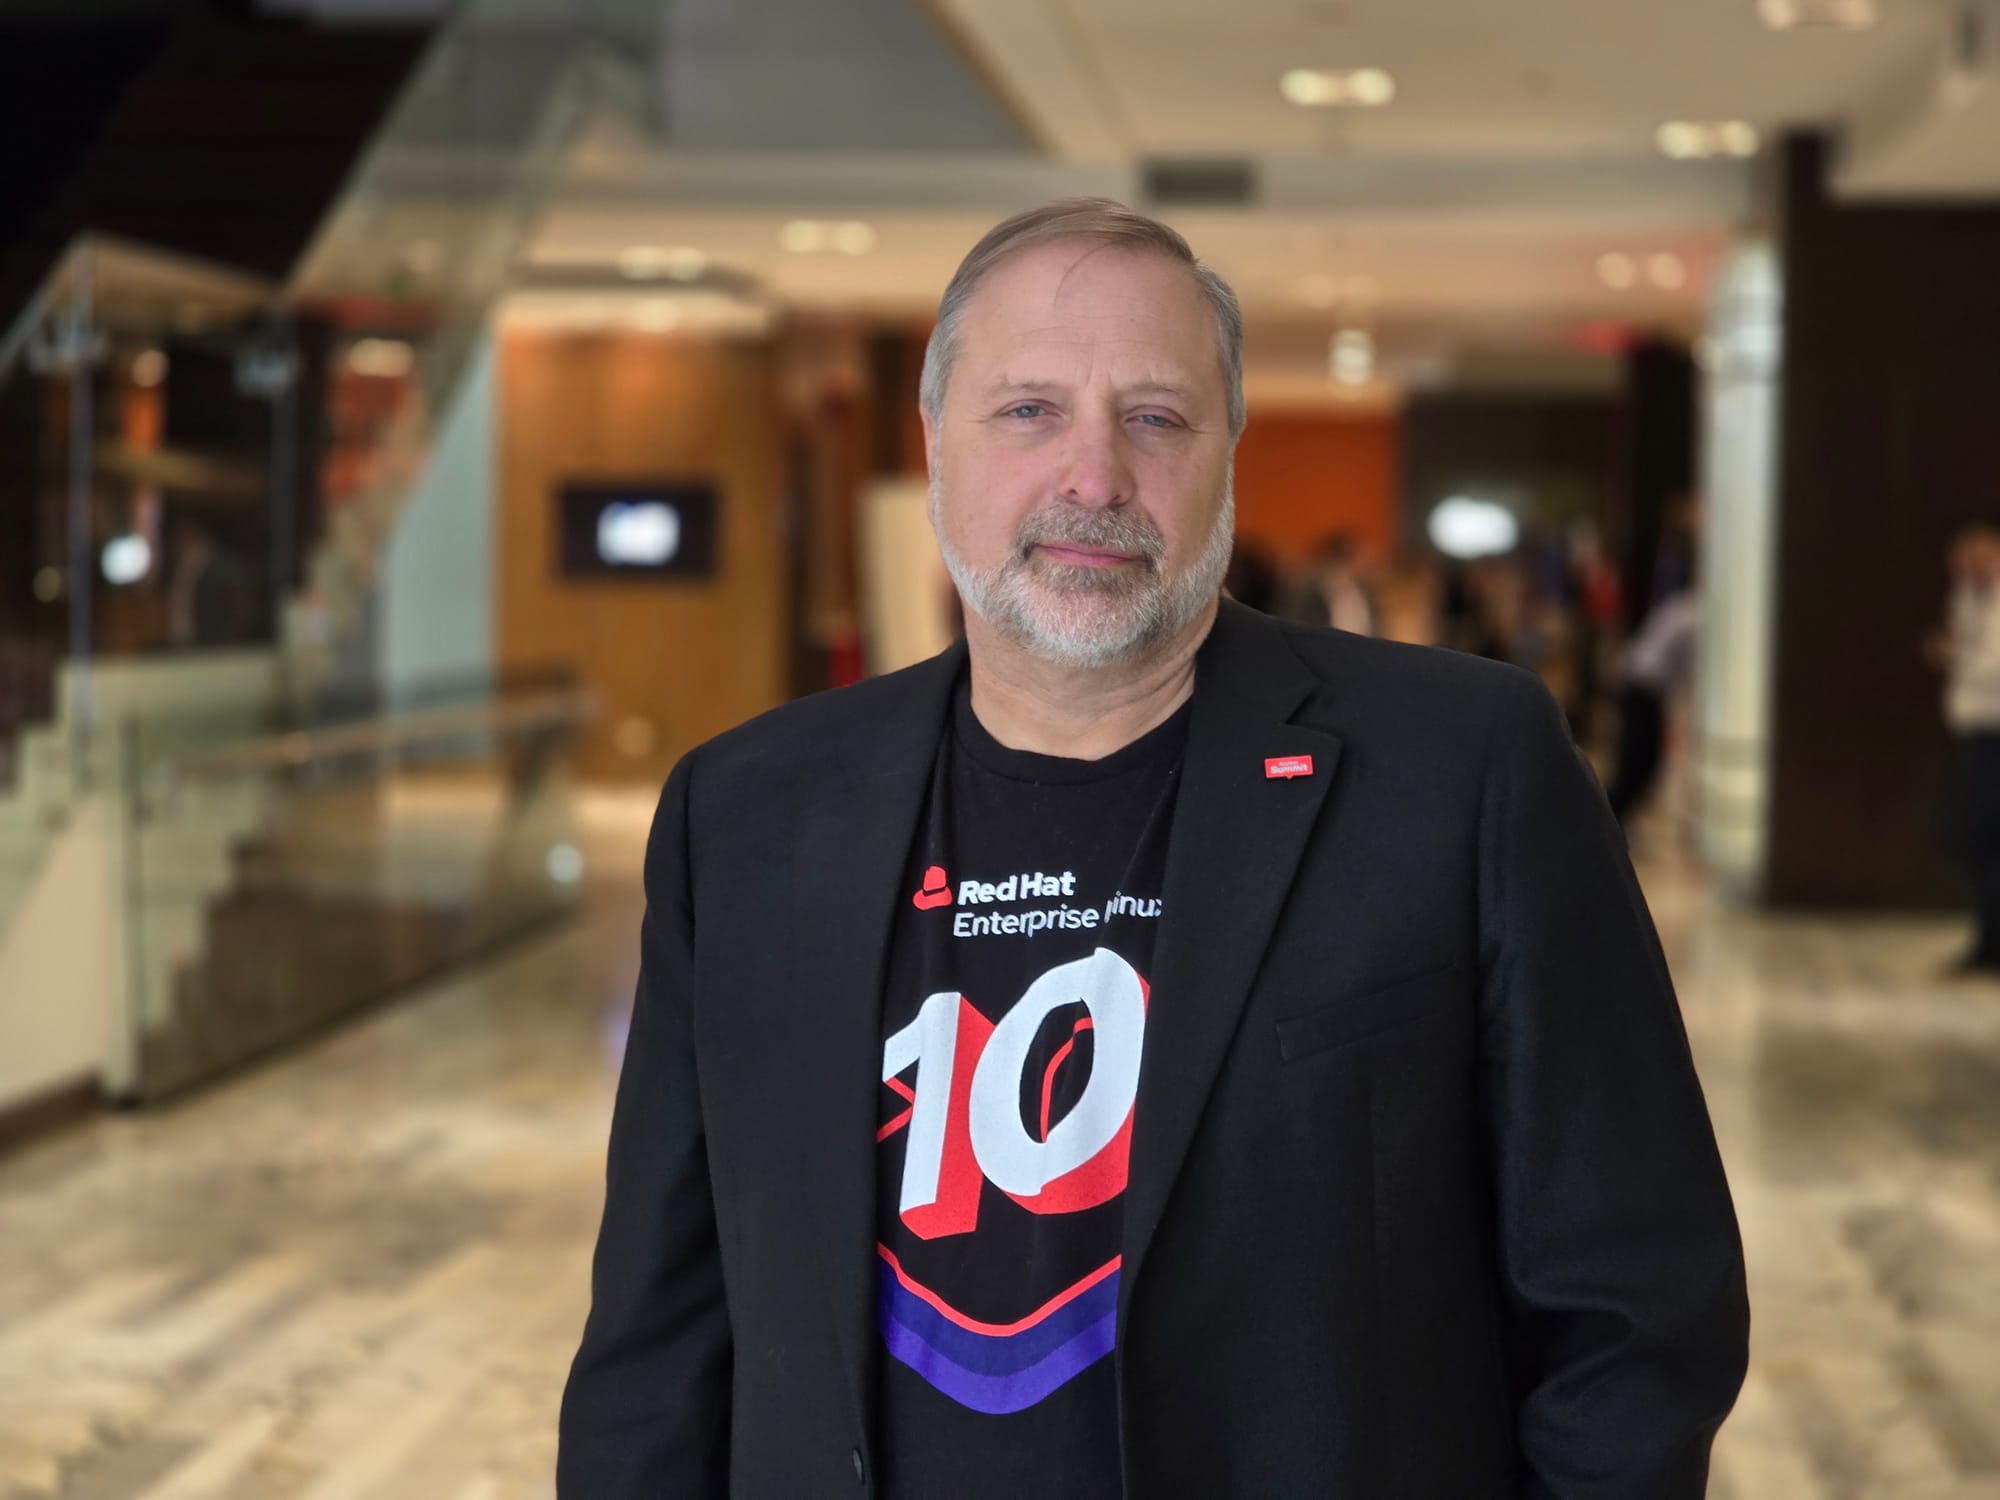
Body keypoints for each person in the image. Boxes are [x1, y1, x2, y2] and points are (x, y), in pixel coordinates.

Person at [557, 199, 1748, 1499]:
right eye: (1030, 410)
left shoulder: (1463, 771)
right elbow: (658, 1344)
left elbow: (1633, 1311)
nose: (1094, 478)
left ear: (1226, 452)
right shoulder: (746, 815)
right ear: (936, 441)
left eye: (1156, 417)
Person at [1935, 518, 2000, 974]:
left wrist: (1957, 654)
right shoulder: (1970, 597)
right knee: (1972, 837)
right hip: (1975, 729)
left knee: (1974, 831)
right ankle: (1988, 939)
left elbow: (1989, 663)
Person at [1606, 578, 1701, 827]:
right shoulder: (1695, 617)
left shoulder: (1683, 607)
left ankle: (1614, 820)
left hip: (1643, 686)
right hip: (1642, 689)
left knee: (1642, 764)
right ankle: (1609, 821)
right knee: (1637, 764)